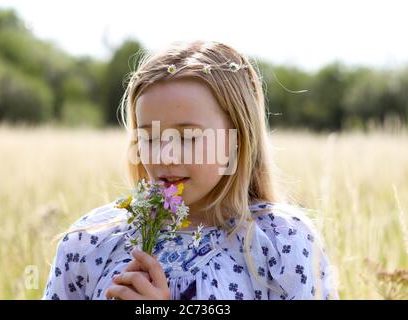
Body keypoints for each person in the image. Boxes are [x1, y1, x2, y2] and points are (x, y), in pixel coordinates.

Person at [43, 40, 338, 300]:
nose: (166, 156)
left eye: (188, 138)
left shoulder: (282, 244)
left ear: (237, 140)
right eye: (149, 137)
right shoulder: (91, 242)